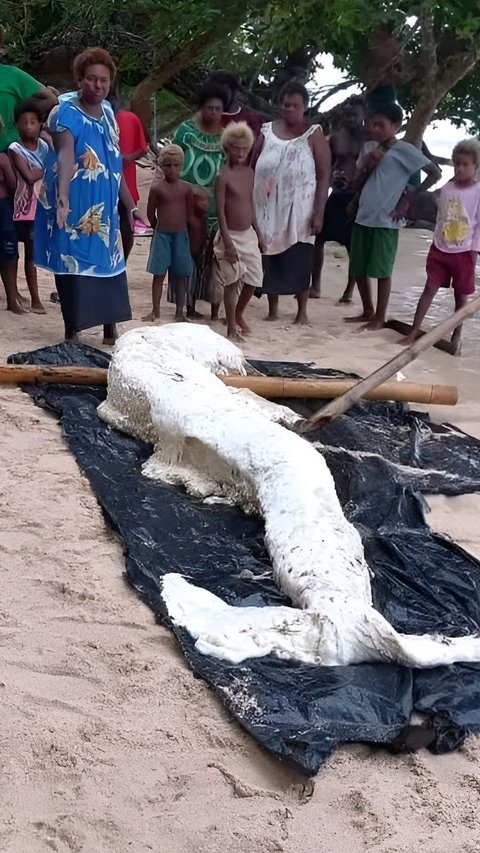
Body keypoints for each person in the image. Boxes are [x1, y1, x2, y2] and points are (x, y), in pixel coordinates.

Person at [34, 47, 133, 345]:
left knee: (108, 260)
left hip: (104, 202)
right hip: (75, 200)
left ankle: (109, 326)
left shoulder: (108, 113)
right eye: (91, 79)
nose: (98, 86)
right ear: (79, 79)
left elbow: (114, 160)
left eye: (104, 80)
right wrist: (62, 199)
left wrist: (130, 204)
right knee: (72, 261)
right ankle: (72, 330)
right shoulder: (66, 112)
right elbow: (65, 155)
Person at [347, 103, 441, 330]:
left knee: (382, 269)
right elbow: (357, 182)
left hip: (385, 218)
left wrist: (410, 196)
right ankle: (367, 310)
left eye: (380, 125)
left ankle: (379, 317)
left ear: (396, 126)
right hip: (364, 214)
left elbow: (435, 173)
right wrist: (369, 165)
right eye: (372, 124)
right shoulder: (371, 148)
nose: (374, 129)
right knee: (358, 266)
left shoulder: (404, 150)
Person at [253, 81, 331, 324]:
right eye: (285, 105)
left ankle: (302, 312)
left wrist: (319, 212)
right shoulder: (266, 131)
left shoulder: (313, 133)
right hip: (267, 208)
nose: (289, 109)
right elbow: (251, 164)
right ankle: (273, 309)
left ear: (304, 107)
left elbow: (323, 174)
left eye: (295, 106)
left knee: (301, 257)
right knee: (268, 253)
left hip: (300, 207)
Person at [401, 139, 480, 352]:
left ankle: (457, 334)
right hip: (440, 247)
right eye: (456, 164)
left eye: (465, 164)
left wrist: (474, 250)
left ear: (475, 166)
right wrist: (436, 243)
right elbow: (441, 218)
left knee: (460, 295)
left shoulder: (478, 191)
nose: (460, 168)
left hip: (464, 251)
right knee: (429, 288)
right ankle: (413, 332)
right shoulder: (447, 188)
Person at [173, 82, 227, 318]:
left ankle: (208, 304)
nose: (213, 112)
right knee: (186, 253)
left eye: (217, 108)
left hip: (215, 206)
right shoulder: (185, 131)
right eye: (209, 107)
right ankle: (185, 304)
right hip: (186, 203)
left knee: (209, 258)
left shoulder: (227, 136)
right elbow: (172, 162)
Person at [310, 100, 365, 302]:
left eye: (356, 116)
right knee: (319, 238)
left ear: (363, 116)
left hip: (358, 196)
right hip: (338, 194)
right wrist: (333, 177)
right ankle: (315, 285)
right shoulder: (336, 138)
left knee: (353, 246)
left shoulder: (368, 139)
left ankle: (349, 291)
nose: (352, 120)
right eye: (348, 116)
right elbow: (326, 167)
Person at [212, 122, 263, 340]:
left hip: (248, 234)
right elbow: (221, 212)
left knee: (255, 278)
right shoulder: (222, 177)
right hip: (230, 234)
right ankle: (231, 328)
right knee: (232, 282)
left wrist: (259, 233)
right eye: (236, 148)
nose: (241, 153)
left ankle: (238, 314)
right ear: (227, 148)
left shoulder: (251, 173)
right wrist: (228, 242)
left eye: (245, 148)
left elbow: (252, 205)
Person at [143, 145, 194, 322]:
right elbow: (150, 213)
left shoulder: (186, 189)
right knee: (159, 273)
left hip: (181, 235)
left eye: (175, 165)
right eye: (167, 165)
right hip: (162, 235)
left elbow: (189, 213)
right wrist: (157, 226)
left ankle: (180, 312)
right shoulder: (157, 188)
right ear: (161, 166)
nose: (171, 170)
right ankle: (155, 311)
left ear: (181, 166)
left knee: (181, 275)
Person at [9, 99, 49, 313]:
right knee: (13, 254)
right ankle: (14, 292)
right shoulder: (15, 149)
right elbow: (29, 175)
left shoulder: (44, 146)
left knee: (32, 255)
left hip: (39, 208)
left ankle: (35, 298)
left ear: (40, 124)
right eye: (24, 122)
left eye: (33, 122)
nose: (29, 127)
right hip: (19, 209)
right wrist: (49, 167)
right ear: (17, 125)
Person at [0, 142, 23, 312]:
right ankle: (11, 299)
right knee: (8, 254)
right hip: (3, 206)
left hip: (3, 208)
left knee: (9, 253)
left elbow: (14, 185)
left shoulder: (3, 158)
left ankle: (11, 299)